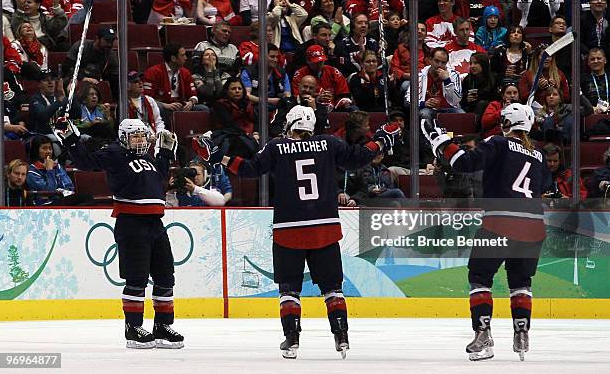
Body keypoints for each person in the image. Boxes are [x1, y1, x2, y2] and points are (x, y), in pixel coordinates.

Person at [215, 104, 399, 359]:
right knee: (333, 288)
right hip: (324, 228)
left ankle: (291, 340)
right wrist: (380, 142)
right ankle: (341, 336)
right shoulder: (329, 143)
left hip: (288, 229)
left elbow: (249, 170)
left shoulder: (277, 147)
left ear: (290, 124)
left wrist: (220, 157)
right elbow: (358, 158)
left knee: (289, 289)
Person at [422, 102, 551, 362]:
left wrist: (440, 142)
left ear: (505, 124)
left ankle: (483, 333)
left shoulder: (498, 143)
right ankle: (522, 333)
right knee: (521, 283)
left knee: (480, 278)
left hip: (499, 223)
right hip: (533, 227)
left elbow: (463, 163)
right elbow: (546, 185)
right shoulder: (539, 154)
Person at [58, 118, 185, 349]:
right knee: (136, 279)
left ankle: (162, 326)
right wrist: (70, 138)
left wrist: (166, 154)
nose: (141, 139)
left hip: (156, 223)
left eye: (143, 135)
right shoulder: (114, 153)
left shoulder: (148, 157)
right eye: (135, 135)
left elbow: (159, 179)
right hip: (131, 222)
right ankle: (133, 328)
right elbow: (87, 161)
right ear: (124, 137)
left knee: (165, 277)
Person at [408, 47, 463, 120]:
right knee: (424, 113)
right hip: (429, 109)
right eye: (437, 61)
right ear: (430, 60)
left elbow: (456, 101)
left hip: (448, 109)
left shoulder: (454, 75)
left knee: (461, 113)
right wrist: (423, 104)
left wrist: (447, 81)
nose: (440, 65)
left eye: (443, 62)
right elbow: (408, 100)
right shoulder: (420, 75)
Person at [26, 134, 75, 206]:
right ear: (36, 151)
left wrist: (60, 192)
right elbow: (48, 191)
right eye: (44, 148)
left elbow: (69, 187)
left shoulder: (57, 166)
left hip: (62, 199)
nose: (48, 151)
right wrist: (49, 170)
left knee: (87, 197)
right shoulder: (32, 171)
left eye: (50, 148)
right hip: (44, 204)